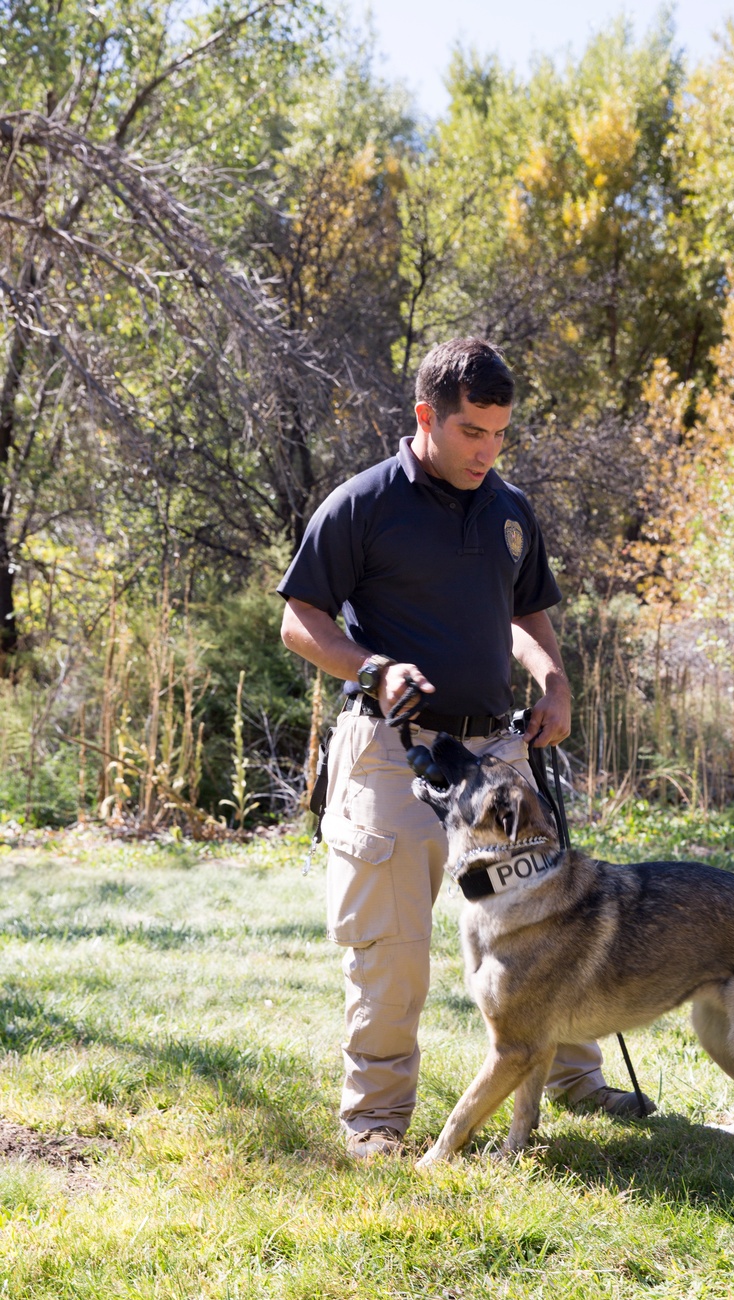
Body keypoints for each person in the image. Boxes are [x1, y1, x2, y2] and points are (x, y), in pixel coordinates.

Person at [278, 337, 654, 1158]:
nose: (486, 451)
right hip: (394, 756)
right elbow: (299, 619)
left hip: (496, 755)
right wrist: (372, 669)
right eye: (471, 433)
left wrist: (553, 682)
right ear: (426, 417)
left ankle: (571, 1082)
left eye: (499, 435)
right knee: (393, 950)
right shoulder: (363, 503)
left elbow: (528, 619)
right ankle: (376, 1120)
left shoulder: (509, 510)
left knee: (551, 925)